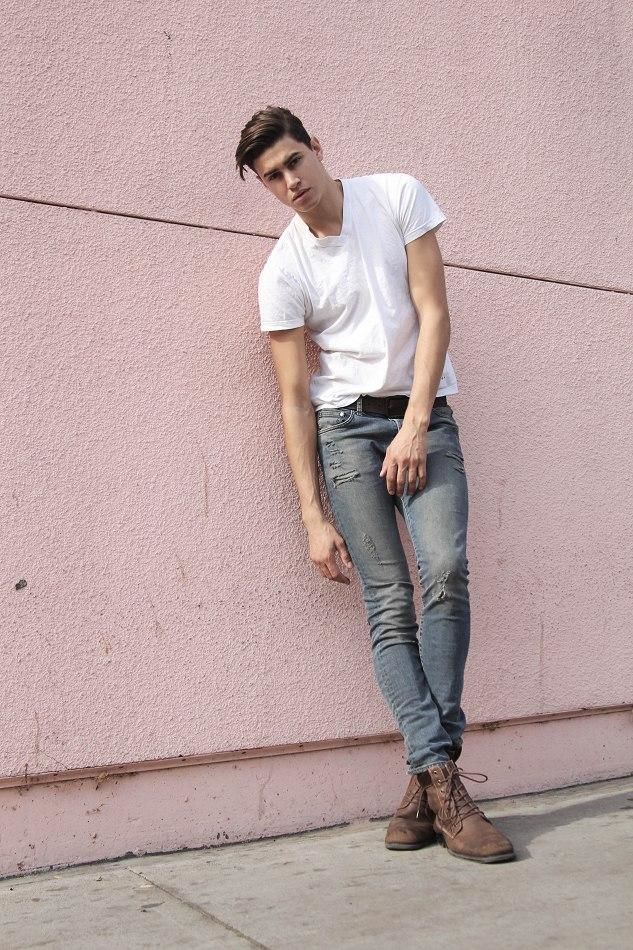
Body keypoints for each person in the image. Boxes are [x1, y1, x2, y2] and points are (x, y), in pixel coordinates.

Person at [235, 106, 515, 864]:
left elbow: (433, 312)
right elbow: (295, 401)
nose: (290, 182)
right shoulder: (283, 272)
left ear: (317, 148)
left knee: (446, 574)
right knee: (389, 603)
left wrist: (416, 423)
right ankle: (442, 783)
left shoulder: (395, 197)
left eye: (294, 161)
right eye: (272, 177)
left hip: (424, 416)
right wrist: (311, 516)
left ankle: (427, 783)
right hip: (346, 432)